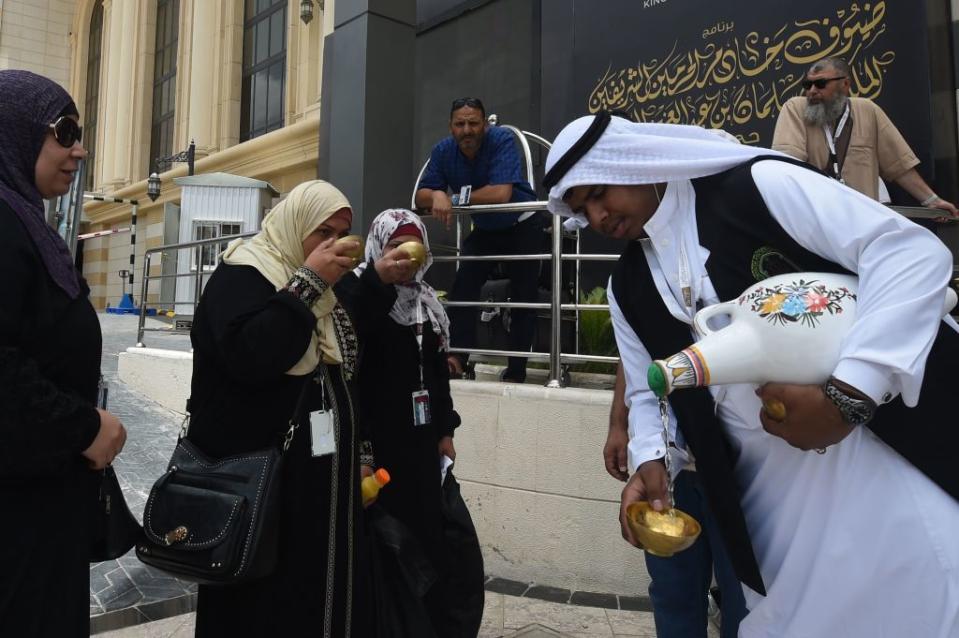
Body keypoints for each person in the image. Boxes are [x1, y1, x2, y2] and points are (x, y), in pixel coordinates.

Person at [543, 113, 959, 636]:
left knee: (921, 602)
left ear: (635, 162)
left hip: (877, 458)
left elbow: (907, 252)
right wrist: (651, 459)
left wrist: (849, 396)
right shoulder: (625, 287)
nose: (600, 216)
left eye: (600, 194)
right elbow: (648, 389)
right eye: (583, 210)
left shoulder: (757, 187)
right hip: (771, 506)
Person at [186, 180, 404, 637]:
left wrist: (375, 279)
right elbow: (252, 355)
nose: (333, 244)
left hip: (321, 483)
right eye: (322, 231)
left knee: (317, 595)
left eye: (342, 232)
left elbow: (344, 358)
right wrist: (306, 283)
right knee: (264, 605)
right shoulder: (244, 273)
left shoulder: (326, 291)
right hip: (265, 485)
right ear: (295, 224)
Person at [0, 70, 128, 636]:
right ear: (17, 133)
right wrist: (84, 428)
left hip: (43, 498)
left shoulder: (26, 219)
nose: (80, 148)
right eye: (66, 130)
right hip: (19, 509)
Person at [337, 208, 466, 635]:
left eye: (411, 247)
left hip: (422, 445)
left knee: (427, 537)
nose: (404, 257)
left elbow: (437, 372)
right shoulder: (361, 293)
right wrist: (363, 453)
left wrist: (445, 429)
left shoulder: (427, 302)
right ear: (379, 247)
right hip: (381, 446)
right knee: (387, 544)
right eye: (395, 247)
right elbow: (352, 373)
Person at [603, 363, 745, 637]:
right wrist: (618, 423)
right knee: (674, 595)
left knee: (744, 604)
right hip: (671, 464)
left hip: (741, 469)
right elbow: (635, 350)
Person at [415, 97, 543, 383]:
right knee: (463, 289)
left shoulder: (502, 140)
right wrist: (435, 195)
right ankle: (458, 360)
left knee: (524, 297)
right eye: (460, 124)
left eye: (473, 123)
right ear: (451, 127)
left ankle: (517, 371)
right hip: (486, 228)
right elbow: (420, 195)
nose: (467, 130)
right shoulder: (443, 150)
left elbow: (501, 195)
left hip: (521, 223)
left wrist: (449, 198)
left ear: (484, 125)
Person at [772, 57, 958, 217]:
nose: (812, 90)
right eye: (807, 84)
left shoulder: (868, 111)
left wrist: (932, 201)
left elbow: (899, 166)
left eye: (820, 84)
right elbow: (788, 166)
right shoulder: (795, 108)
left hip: (864, 222)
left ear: (845, 84)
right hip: (817, 220)